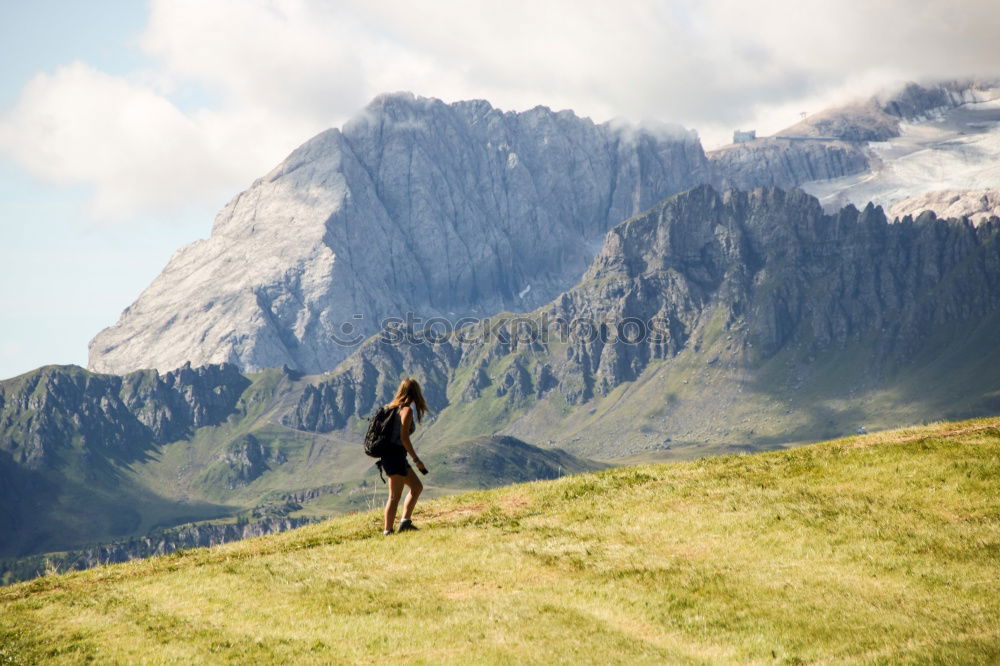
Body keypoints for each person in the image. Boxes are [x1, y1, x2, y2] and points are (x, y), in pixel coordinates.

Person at [381, 377, 429, 535]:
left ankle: (405, 523)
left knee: (416, 487)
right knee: (394, 496)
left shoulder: (390, 407)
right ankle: (388, 532)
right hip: (395, 457)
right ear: (415, 394)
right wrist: (417, 460)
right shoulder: (406, 411)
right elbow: (404, 438)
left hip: (391, 456)